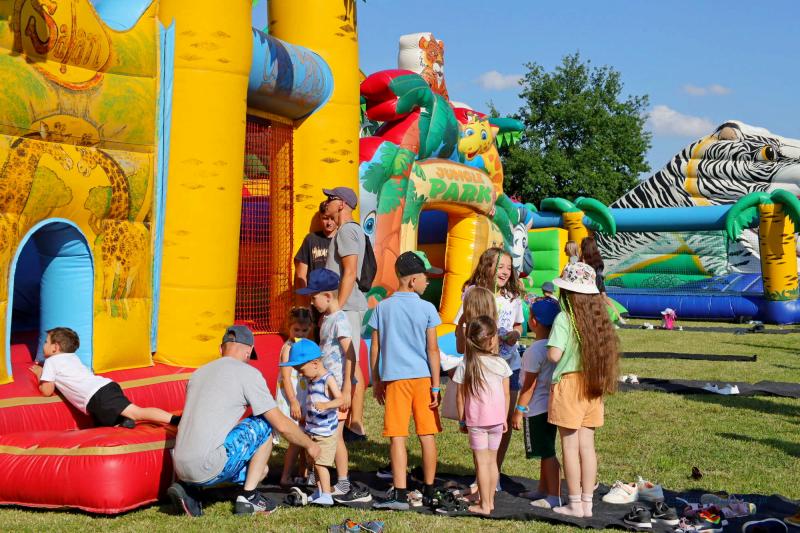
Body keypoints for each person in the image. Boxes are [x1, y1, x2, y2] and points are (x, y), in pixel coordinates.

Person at [169, 325, 321, 517]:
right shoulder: (247, 373)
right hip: (207, 465)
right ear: (249, 351)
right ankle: (249, 497)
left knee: (261, 470)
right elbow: (280, 424)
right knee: (265, 422)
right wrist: (310, 445)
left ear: (221, 348)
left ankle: (190, 489)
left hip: (180, 466)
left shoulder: (198, 374)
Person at [370, 251, 442, 511]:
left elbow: (375, 347)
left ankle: (400, 494)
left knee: (397, 436)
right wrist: (436, 386)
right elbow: (433, 350)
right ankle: (430, 491)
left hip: (395, 381)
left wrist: (376, 379)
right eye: (425, 277)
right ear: (413, 280)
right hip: (423, 379)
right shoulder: (427, 308)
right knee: (427, 434)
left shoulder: (383, 307)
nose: (428, 282)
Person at [548, 262, 620, 518]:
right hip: (593, 385)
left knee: (569, 447)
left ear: (567, 293)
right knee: (587, 447)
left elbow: (554, 355)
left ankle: (574, 503)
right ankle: (587, 503)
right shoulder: (599, 320)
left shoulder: (564, 318)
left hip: (569, 386)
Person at [456, 247, 524, 480]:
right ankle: (482, 476)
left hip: (509, 366)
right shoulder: (474, 294)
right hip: (481, 368)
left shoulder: (512, 297)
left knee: (502, 422)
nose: (505, 272)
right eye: (500, 266)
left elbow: (518, 325)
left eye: (508, 267)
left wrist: (515, 334)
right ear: (487, 267)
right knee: (479, 422)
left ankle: (494, 474)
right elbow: (462, 326)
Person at [29, 327, 179, 429]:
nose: (43, 345)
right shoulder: (73, 358)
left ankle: (175, 420)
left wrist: (40, 374)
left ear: (55, 347)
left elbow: (47, 391)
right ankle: (123, 420)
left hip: (97, 395)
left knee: (137, 412)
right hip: (101, 392)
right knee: (105, 424)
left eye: (46, 342)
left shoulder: (52, 361)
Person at [296, 268, 359, 502]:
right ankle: (320, 476)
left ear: (328, 296)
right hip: (325, 387)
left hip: (337, 389)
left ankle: (342, 481)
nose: (312, 302)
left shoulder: (339, 320)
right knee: (321, 431)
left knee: (336, 435)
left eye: (314, 298)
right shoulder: (325, 319)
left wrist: (346, 389)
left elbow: (350, 353)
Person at [453, 316, 511, 516]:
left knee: (482, 463)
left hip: (476, 421)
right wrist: (504, 418)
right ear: (493, 339)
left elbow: (460, 396)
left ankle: (484, 505)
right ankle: (489, 501)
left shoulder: (467, 364)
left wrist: (462, 419)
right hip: (497, 420)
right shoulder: (501, 363)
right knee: (492, 462)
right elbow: (506, 394)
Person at [322, 186, 367, 440]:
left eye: (330, 199)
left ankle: (347, 426)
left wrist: (337, 306)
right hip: (347, 306)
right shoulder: (349, 230)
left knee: (348, 363)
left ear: (341, 204)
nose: (326, 203)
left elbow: (349, 271)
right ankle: (347, 424)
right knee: (348, 363)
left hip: (346, 307)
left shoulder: (348, 230)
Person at [512, 297, 562, 510]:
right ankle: (543, 489)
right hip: (549, 405)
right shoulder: (554, 346)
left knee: (548, 453)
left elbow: (529, 385)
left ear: (534, 322)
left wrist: (519, 409)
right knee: (545, 451)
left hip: (536, 408)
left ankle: (554, 495)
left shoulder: (535, 350)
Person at [280, 339, 343, 506]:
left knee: (321, 464)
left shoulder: (328, 379)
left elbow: (341, 400)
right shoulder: (312, 379)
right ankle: (319, 491)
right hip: (313, 430)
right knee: (314, 463)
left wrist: (326, 405)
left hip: (325, 433)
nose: (300, 374)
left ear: (315, 363)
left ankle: (327, 495)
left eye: (301, 370)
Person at [276, 307, 314, 486]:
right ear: (289, 328)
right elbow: (286, 377)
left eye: (304, 330)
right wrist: (293, 401)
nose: (300, 334)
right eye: (296, 330)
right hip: (292, 397)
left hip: (302, 395)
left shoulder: (306, 345)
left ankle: (302, 472)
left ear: (310, 329)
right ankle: (285, 477)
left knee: (304, 434)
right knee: (297, 438)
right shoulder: (288, 348)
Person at [579, 236, 624, 324]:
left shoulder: (584, 258)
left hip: (591, 280)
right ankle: (619, 317)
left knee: (592, 299)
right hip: (599, 278)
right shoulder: (597, 257)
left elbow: (583, 270)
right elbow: (600, 268)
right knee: (604, 297)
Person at [454, 286, 497, 355]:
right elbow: (460, 349)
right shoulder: (469, 325)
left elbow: (461, 349)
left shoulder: (489, 326)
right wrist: (460, 324)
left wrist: (460, 323)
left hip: (480, 360)